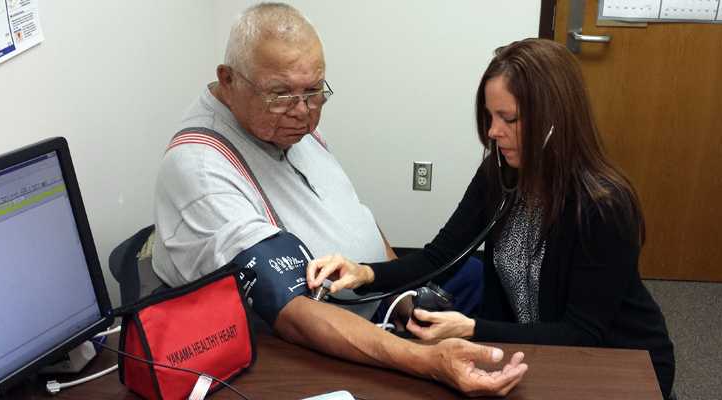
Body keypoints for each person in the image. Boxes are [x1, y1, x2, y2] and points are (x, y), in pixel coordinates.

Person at [150, 3, 527, 397]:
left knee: (483, 280)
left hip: (376, 303)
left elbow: (353, 212)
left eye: (314, 92)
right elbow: (292, 313)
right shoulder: (200, 166)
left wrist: (403, 300)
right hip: (313, 348)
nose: (303, 113)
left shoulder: (285, 126)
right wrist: (426, 361)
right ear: (228, 80)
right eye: (281, 95)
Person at [307, 38, 676, 398]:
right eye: (490, 116)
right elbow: (439, 257)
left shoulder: (602, 206)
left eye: (508, 118)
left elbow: (581, 332)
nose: (492, 132)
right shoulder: (499, 176)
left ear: (555, 120)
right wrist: (365, 274)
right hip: (533, 350)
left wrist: (471, 329)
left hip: (620, 362)